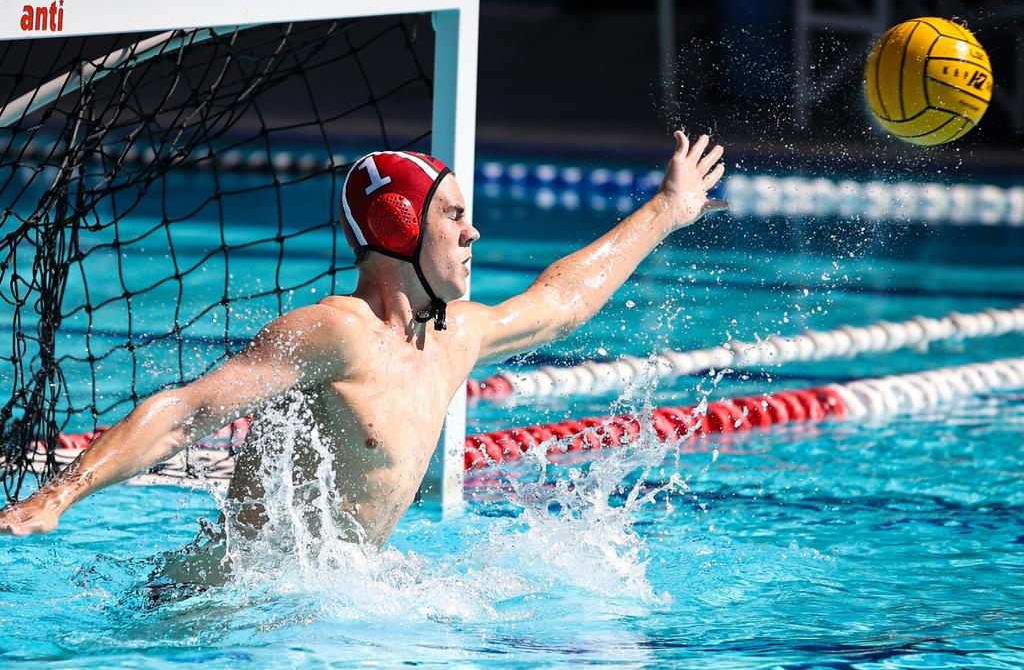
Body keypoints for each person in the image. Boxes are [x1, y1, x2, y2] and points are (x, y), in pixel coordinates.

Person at [0, 131, 725, 550]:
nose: (474, 232)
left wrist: (666, 210)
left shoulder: (455, 335)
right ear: (399, 228)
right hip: (225, 611)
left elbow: (561, 302)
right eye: (453, 217)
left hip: (330, 602)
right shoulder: (335, 332)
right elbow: (189, 413)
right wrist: (61, 495)